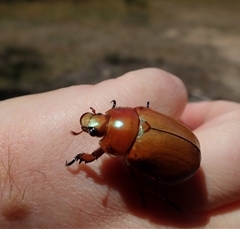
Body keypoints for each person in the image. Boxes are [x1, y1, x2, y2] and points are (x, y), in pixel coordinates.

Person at [0, 68, 240, 228]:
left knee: (142, 183)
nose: (96, 122)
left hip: (183, 162)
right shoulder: (139, 113)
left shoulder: (132, 152)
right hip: (183, 144)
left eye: (100, 121)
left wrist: (81, 157)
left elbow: (95, 156)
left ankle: (160, 198)